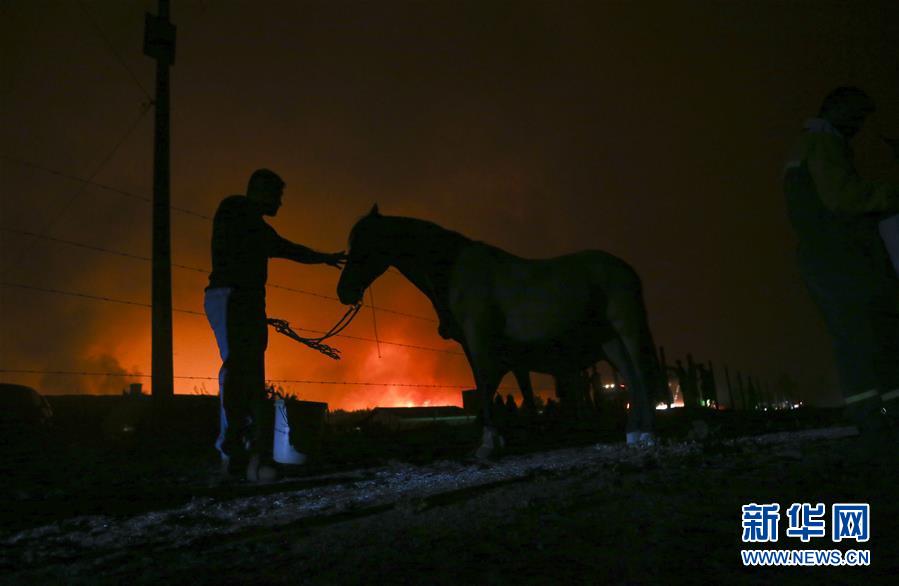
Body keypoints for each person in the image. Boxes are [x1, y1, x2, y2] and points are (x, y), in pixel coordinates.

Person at [204, 169, 346, 482]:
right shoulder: (238, 212)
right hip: (232, 297)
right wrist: (321, 257)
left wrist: (321, 258)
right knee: (238, 371)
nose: (280, 204)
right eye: (277, 196)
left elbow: (282, 246)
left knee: (250, 376)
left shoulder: (243, 218)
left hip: (246, 301)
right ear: (261, 192)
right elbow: (284, 247)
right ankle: (234, 454)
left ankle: (250, 455)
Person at [783, 87, 899, 437]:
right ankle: (886, 414)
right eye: (857, 116)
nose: (859, 126)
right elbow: (844, 197)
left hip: (821, 257)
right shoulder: (823, 144)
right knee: (877, 330)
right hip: (843, 254)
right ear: (838, 111)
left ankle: (870, 414)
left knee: (851, 336)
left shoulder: (804, 147)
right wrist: (890, 195)